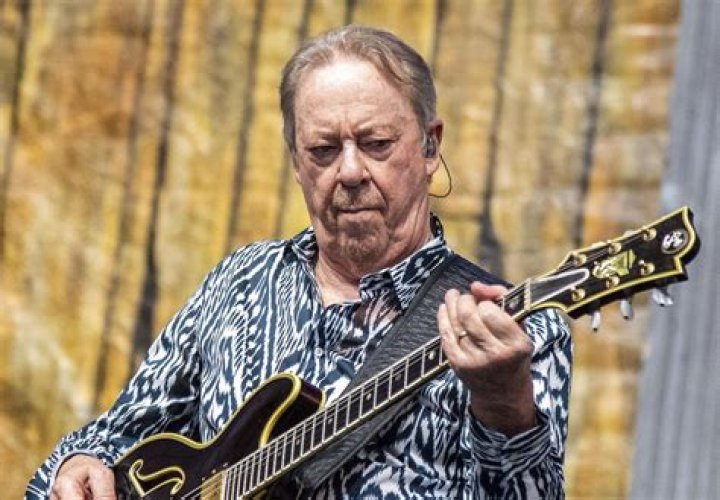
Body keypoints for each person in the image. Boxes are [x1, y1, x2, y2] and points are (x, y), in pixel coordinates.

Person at [27, 25, 572, 499]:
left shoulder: (518, 328)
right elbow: (116, 433)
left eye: (376, 143)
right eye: (323, 151)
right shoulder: (242, 281)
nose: (350, 172)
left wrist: (505, 405)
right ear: (295, 161)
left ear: (430, 147)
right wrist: (79, 464)